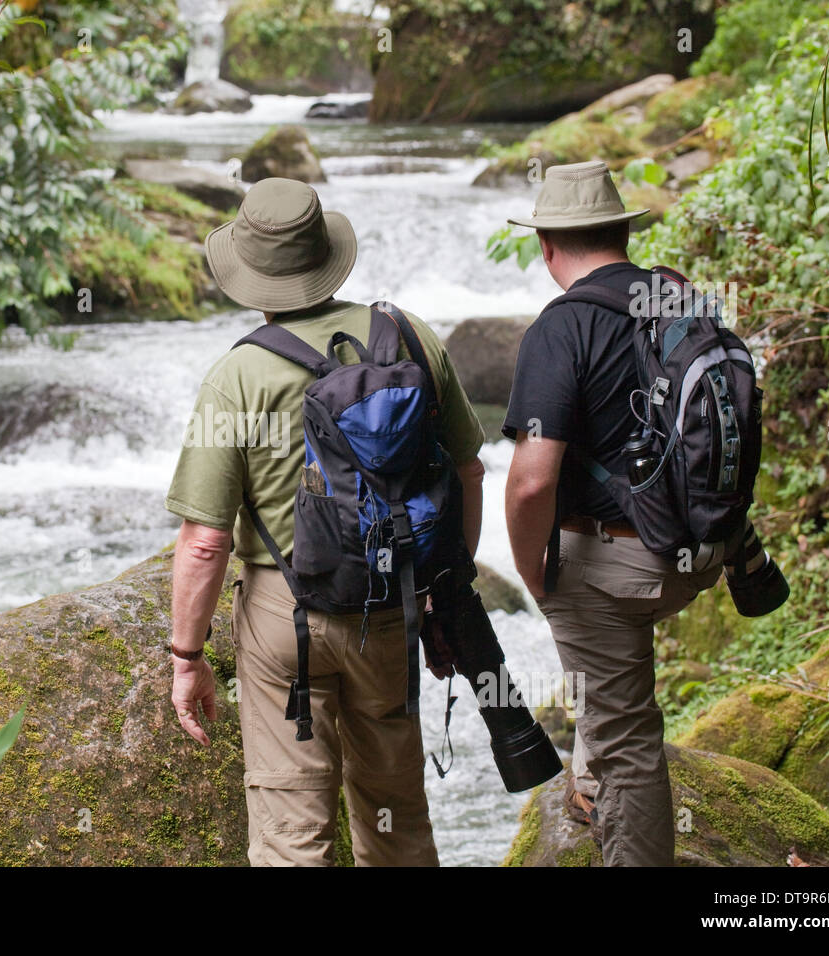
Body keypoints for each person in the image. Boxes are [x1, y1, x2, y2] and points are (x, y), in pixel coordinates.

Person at [165, 177, 485, 866]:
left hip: (287, 619)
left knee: (292, 834)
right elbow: (468, 471)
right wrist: (443, 598)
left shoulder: (239, 374)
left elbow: (205, 541)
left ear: (252, 276)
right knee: (396, 820)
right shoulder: (408, 336)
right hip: (392, 601)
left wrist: (186, 658)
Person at [501, 160, 721, 866]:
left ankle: (614, 808)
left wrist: (530, 570)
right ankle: (586, 782)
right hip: (696, 549)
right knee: (612, 668)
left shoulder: (559, 330)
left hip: (612, 566)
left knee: (630, 741)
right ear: (624, 231)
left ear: (547, 245)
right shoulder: (686, 303)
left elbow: (532, 484)